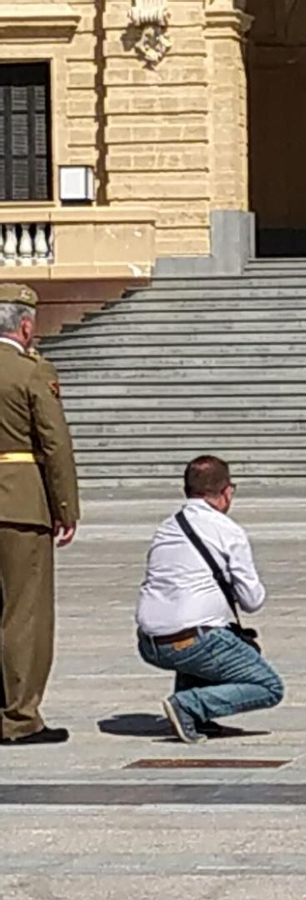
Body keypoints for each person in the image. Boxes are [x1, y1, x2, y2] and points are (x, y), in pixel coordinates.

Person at [135, 456, 282, 744]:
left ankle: (196, 712)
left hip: (151, 642)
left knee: (207, 629)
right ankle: (189, 705)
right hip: (194, 641)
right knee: (269, 686)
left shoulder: (166, 528)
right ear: (228, 492)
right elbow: (252, 601)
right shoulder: (228, 531)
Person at [0, 283, 79, 747]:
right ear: (26, 325)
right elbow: (54, 444)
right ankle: (19, 717)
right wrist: (64, 506)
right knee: (24, 613)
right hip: (19, 502)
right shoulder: (31, 372)